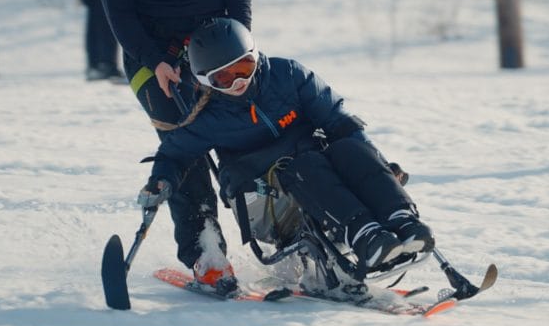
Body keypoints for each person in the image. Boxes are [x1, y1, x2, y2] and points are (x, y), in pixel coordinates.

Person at [146, 19, 435, 281]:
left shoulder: (289, 76)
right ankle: (366, 236)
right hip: (264, 200)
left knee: (349, 147)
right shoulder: (209, 118)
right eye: (224, 78)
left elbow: (338, 119)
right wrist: (161, 181)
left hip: (320, 175)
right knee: (305, 166)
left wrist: (380, 163)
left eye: (243, 68)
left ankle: (403, 221)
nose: (238, 82)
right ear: (205, 80)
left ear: (256, 56)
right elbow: (174, 154)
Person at [95, 0, 252, 289]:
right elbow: (118, 12)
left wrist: (239, 33)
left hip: (219, 48)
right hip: (152, 58)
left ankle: (291, 233)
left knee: (256, 132)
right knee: (186, 149)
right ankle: (206, 253)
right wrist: (153, 59)